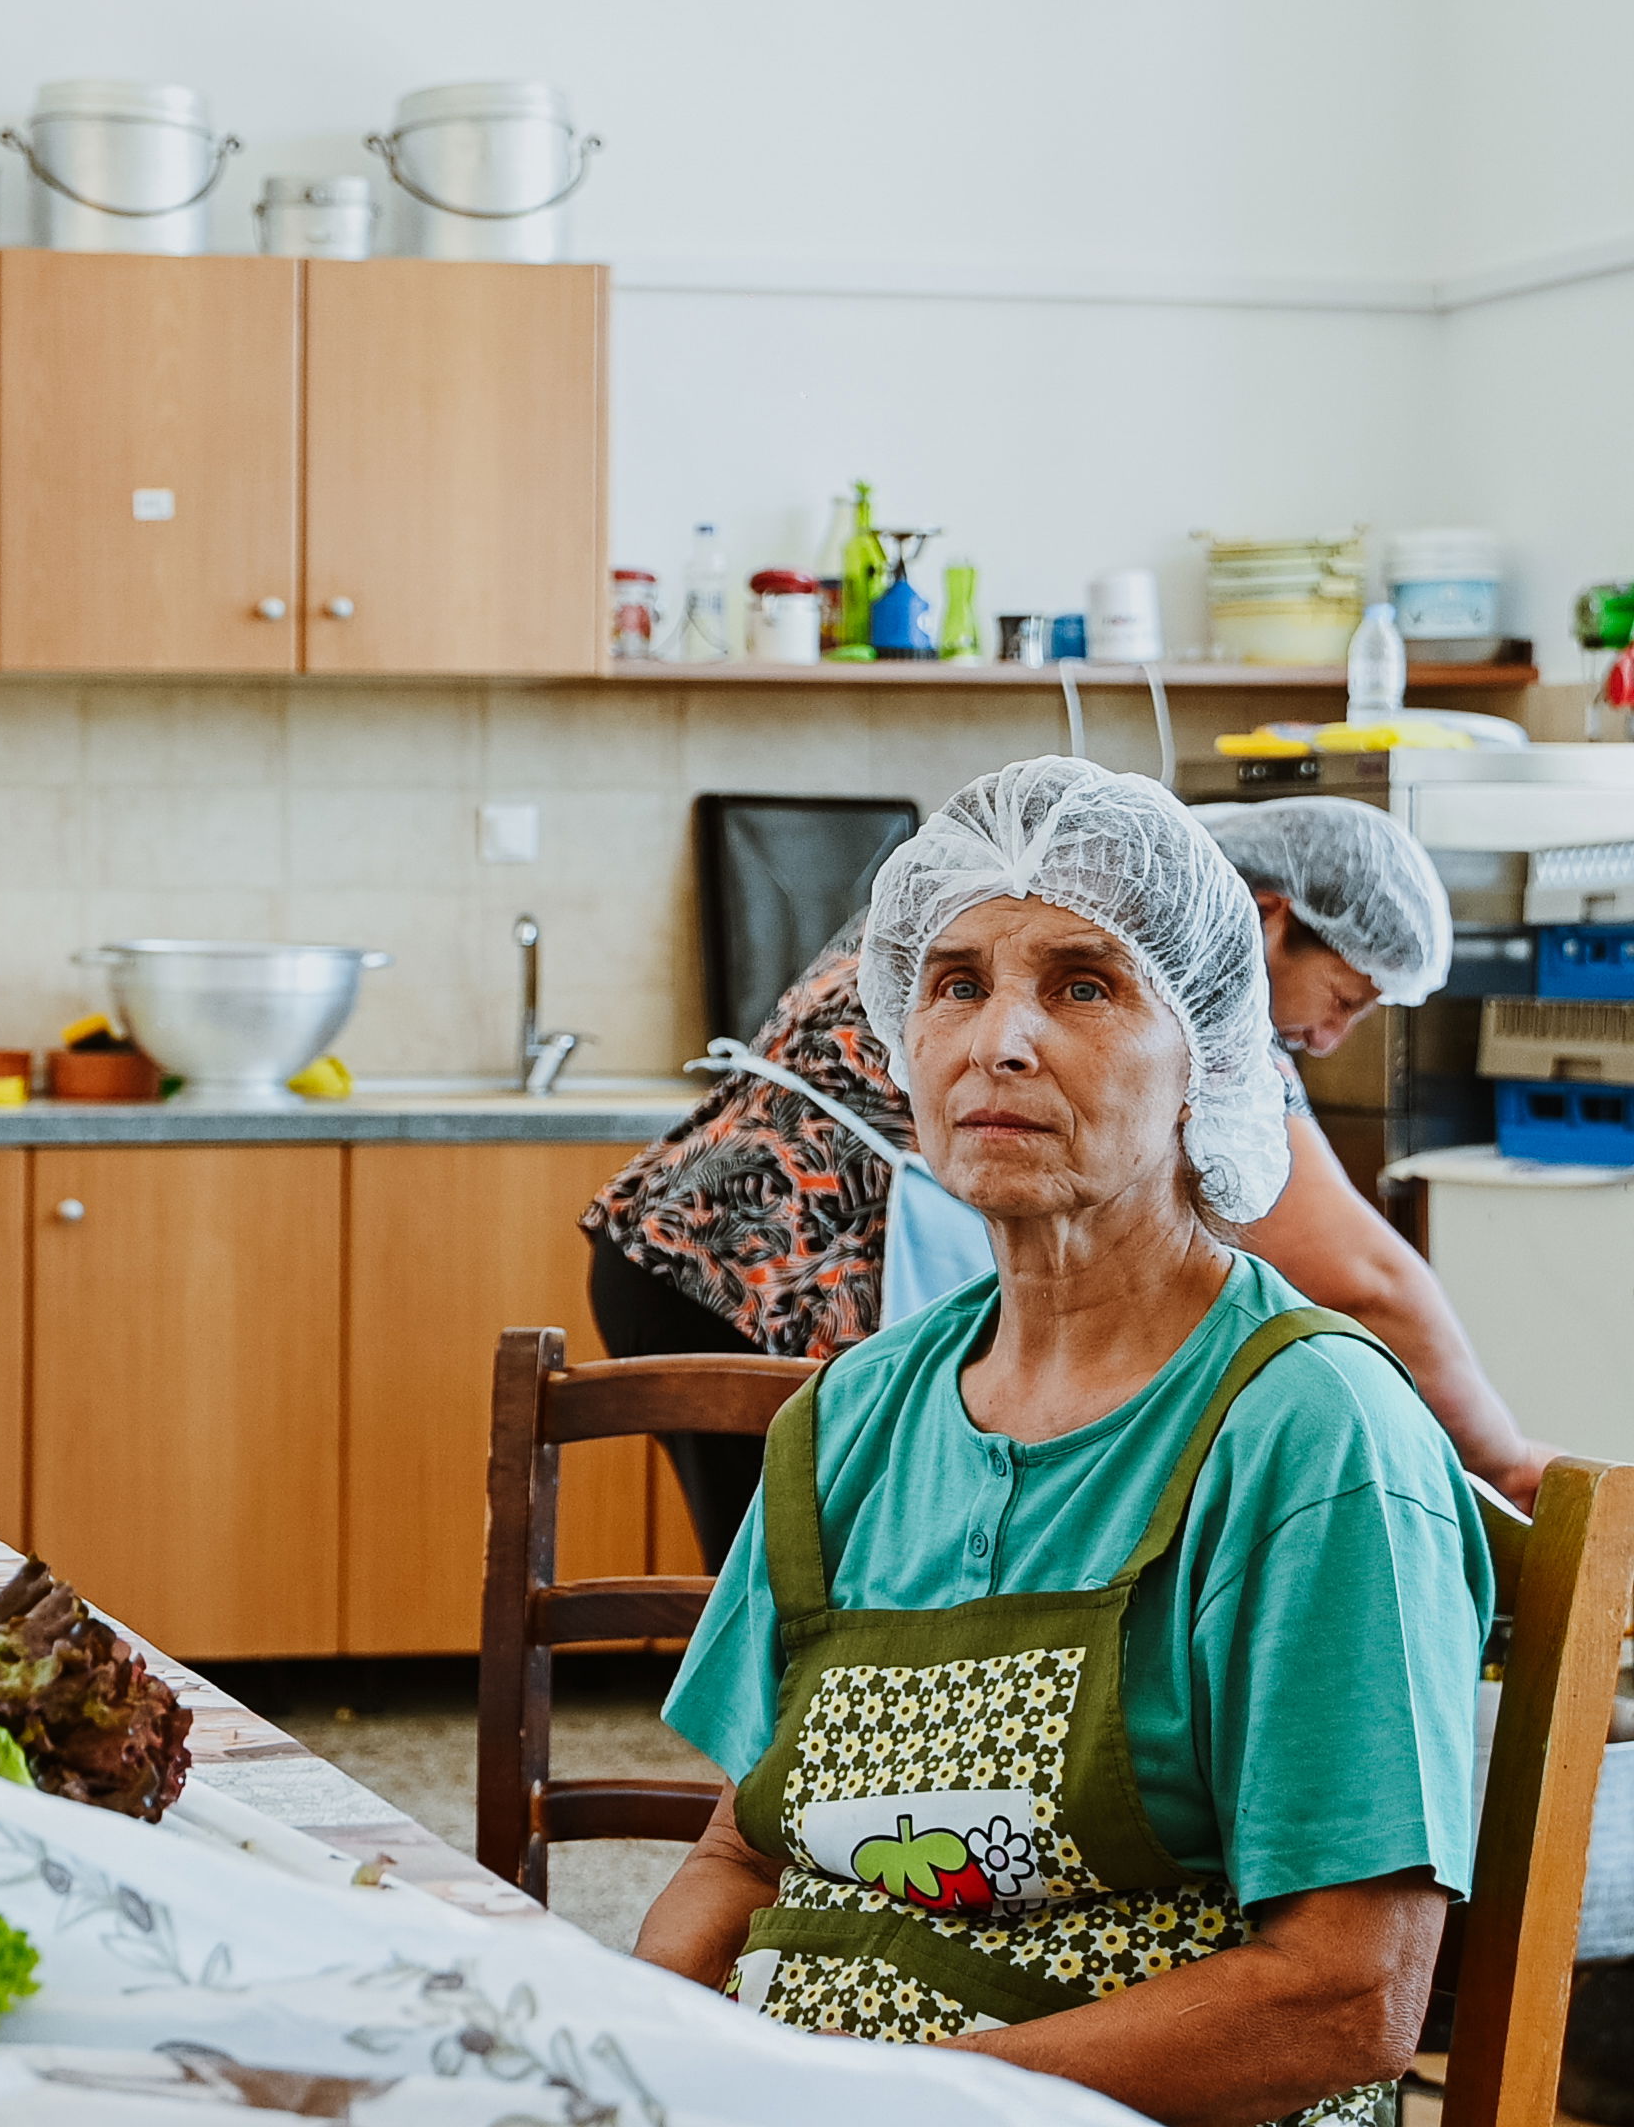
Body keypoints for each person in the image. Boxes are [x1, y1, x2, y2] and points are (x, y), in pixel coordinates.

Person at [636, 758, 1490, 2125]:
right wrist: (630, 2064)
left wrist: (897, 2099)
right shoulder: (851, 1417)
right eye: (956, 984)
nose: (1001, 1042)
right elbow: (742, 1855)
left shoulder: (1308, 1433)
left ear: (1211, 1060)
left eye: (1085, 986)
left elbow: (1347, 1995)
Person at [587, 794, 1550, 1563]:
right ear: (1269, 921)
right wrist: (1505, 1464)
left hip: (667, 1245)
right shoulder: (1162, 971)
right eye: (1342, 998)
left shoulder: (1020, 884)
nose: (1331, 1037)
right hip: (749, 1279)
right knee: (810, 1608)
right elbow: (1361, 1277)